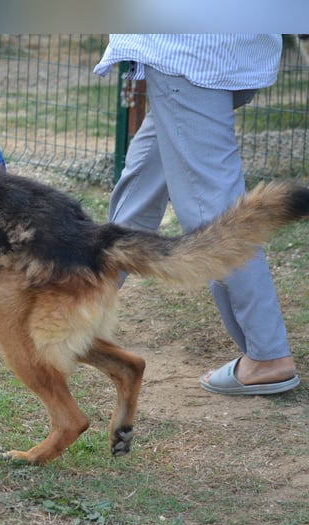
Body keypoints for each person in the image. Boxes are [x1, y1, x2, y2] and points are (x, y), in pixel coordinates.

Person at [93, 34, 300, 395]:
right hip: (226, 47)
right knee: (143, 180)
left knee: (212, 210)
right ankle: (83, 300)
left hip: (189, 51)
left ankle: (268, 356)